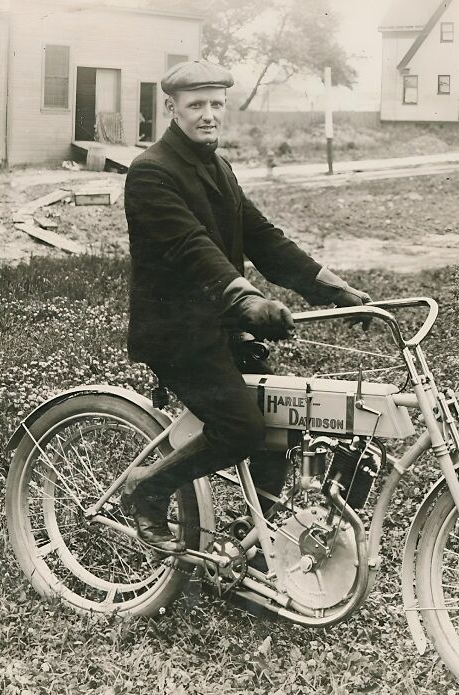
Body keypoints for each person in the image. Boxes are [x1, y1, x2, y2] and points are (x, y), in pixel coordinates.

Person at [122, 60, 371, 553]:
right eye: (196, 106)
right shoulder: (151, 172)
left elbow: (263, 238)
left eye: (216, 104)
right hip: (177, 334)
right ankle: (145, 492)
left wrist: (331, 288)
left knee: (278, 429)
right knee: (240, 429)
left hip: (222, 327)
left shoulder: (217, 166)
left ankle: (255, 547)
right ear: (171, 109)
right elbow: (193, 249)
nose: (209, 114)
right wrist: (247, 299)